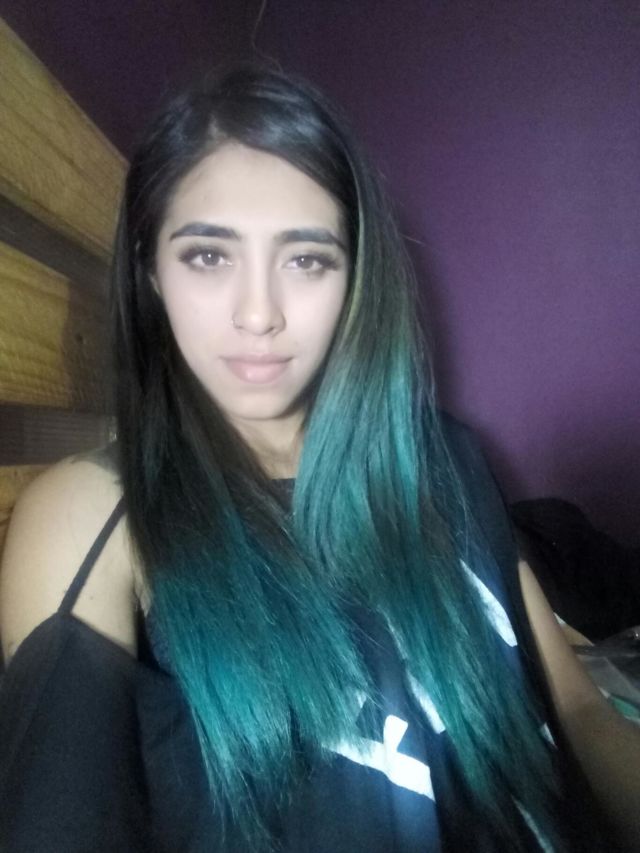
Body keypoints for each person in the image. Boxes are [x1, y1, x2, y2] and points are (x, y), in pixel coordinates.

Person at [0, 65, 638, 853]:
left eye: (306, 259)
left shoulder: (444, 454)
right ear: (150, 272)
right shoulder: (92, 517)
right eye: (208, 256)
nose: (259, 314)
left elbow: (576, 705)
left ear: (354, 277)